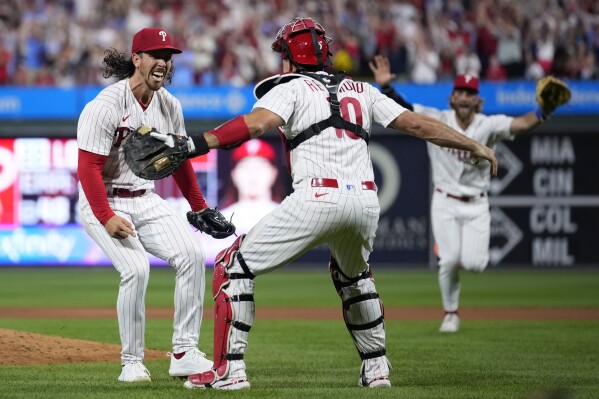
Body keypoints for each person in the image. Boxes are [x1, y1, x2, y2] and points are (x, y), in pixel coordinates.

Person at [152, 17, 497, 389]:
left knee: (232, 266)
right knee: (355, 277)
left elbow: (255, 124)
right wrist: (474, 144)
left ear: (289, 56)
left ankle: (229, 371)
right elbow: (416, 124)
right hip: (366, 201)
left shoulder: (291, 86)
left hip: (317, 196)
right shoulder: (361, 89)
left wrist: (195, 144)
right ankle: (377, 368)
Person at [369, 54, 559, 333]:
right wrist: (386, 88)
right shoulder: (437, 118)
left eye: (470, 93)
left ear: (477, 100)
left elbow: (520, 124)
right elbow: (405, 109)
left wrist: (542, 112)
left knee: (475, 264)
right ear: (452, 97)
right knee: (447, 260)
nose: (464, 97)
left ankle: (455, 266)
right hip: (444, 200)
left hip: (476, 204)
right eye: (460, 92)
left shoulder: (488, 125)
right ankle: (450, 313)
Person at [76, 27, 213, 382]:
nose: (163, 63)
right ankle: (132, 362)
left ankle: (184, 352)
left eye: (168, 57)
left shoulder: (170, 105)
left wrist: (198, 206)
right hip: (103, 199)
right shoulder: (106, 105)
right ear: (136, 59)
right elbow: (88, 168)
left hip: (145, 198)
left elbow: (179, 160)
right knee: (136, 269)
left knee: (192, 256)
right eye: (156, 55)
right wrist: (106, 217)